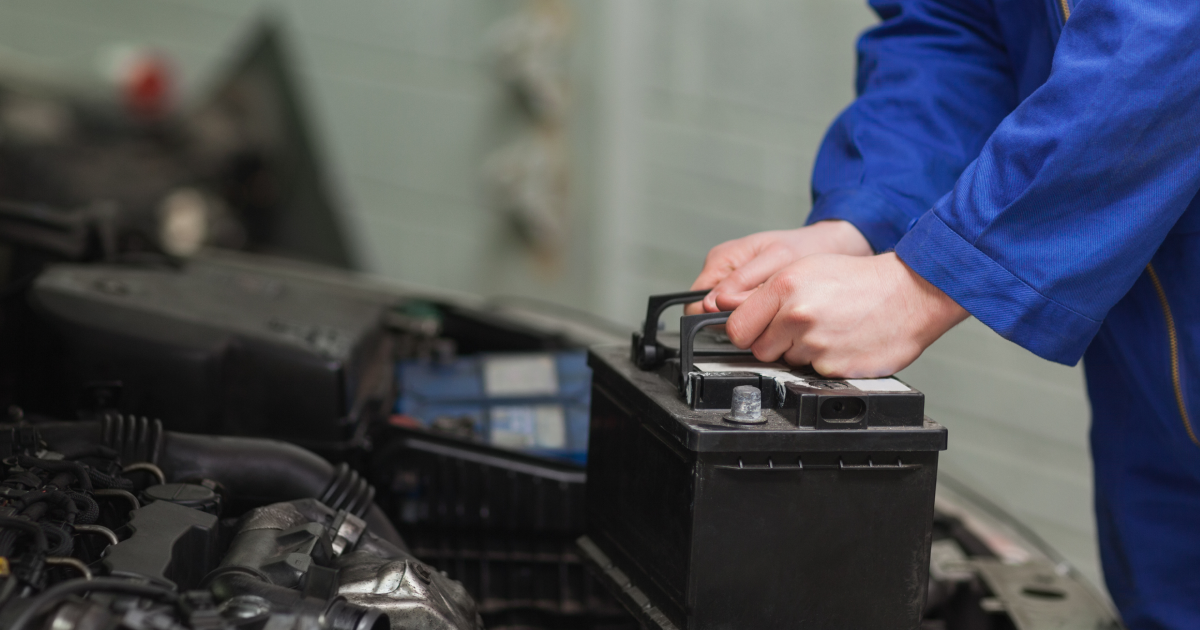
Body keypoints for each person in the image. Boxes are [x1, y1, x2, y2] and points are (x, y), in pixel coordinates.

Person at [686, 0, 1200, 627]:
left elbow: (1170, 35)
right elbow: (957, 22)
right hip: (1161, 369)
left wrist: (920, 285)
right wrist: (863, 217)